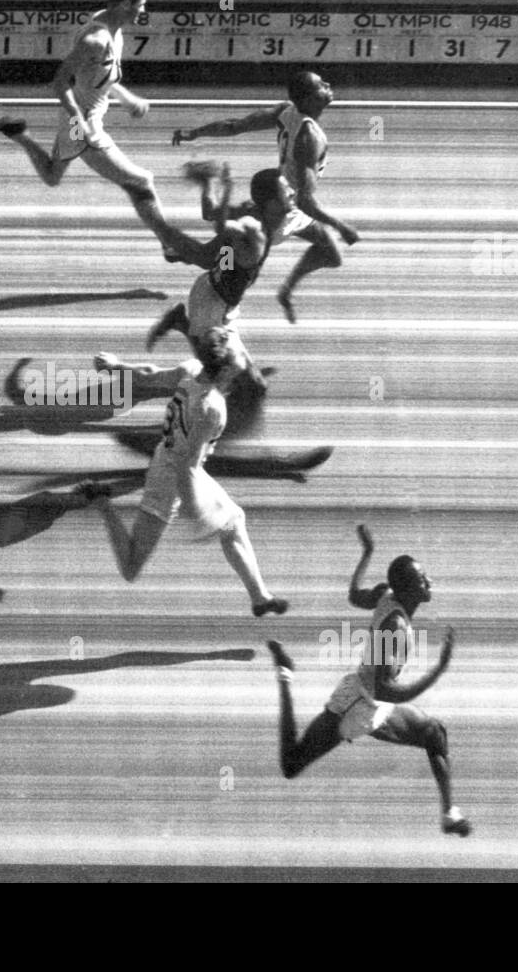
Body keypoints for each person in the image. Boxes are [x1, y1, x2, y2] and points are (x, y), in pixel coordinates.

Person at [265, 524, 472, 836]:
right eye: (421, 580)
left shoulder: (387, 595)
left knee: (434, 734)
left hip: (375, 701)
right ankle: (285, 674)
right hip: (357, 705)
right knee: (291, 765)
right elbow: (384, 689)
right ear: (407, 591)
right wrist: (438, 670)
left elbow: (353, 595)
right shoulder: (396, 628)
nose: (429, 582)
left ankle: (449, 815)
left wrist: (367, 554)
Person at [81, 328, 289, 617]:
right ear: (228, 367)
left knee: (234, 521)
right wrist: (198, 513)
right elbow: (186, 466)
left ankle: (259, 597)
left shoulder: (190, 370)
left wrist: (116, 366)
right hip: (169, 481)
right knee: (130, 567)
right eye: (239, 352)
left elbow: (149, 374)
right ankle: (101, 502)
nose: (244, 353)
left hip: (179, 467)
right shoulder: (211, 408)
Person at [0, 0, 187, 258]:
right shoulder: (95, 40)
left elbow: (101, 77)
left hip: (75, 120)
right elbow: (60, 82)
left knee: (52, 177)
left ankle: (20, 135)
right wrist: (78, 121)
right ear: (123, 4)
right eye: (141, 4)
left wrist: (127, 98)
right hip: (84, 127)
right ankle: (170, 244)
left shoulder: (110, 26)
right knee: (141, 181)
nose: (143, 11)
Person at [171, 70, 359, 321]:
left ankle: (284, 291)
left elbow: (234, 126)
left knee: (330, 253)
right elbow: (306, 201)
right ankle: (184, 251)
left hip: (280, 199)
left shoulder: (286, 111)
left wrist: (195, 133)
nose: (328, 85)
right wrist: (342, 226)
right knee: (217, 256)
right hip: (279, 210)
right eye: (321, 86)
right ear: (309, 99)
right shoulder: (309, 137)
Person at [145, 162, 297, 396]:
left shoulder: (255, 214)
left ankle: (183, 312)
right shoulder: (253, 227)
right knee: (216, 369)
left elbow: (211, 212)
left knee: (256, 384)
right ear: (272, 203)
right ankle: (180, 326)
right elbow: (220, 225)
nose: (293, 192)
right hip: (211, 304)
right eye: (287, 191)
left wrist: (210, 185)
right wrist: (226, 189)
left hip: (222, 296)